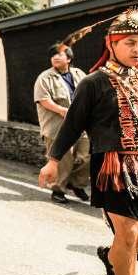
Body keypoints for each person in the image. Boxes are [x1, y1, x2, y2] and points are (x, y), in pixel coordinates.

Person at [40, 7, 138, 275]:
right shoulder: (93, 82)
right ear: (112, 43)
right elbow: (72, 124)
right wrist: (53, 161)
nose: (137, 49)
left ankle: (113, 256)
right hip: (113, 166)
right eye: (130, 43)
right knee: (128, 233)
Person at [33, 42, 90, 204]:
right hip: (57, 126)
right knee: (63, 160)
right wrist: (62, 110)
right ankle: (58, 190)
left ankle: (76, 184)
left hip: (81, 124)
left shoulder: (79, 74)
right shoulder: (45, 77)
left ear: (69, 58)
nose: (55, 57)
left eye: (59, 54)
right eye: (53, 55)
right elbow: (43, 99)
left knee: (86, 156)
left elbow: (89, 94)